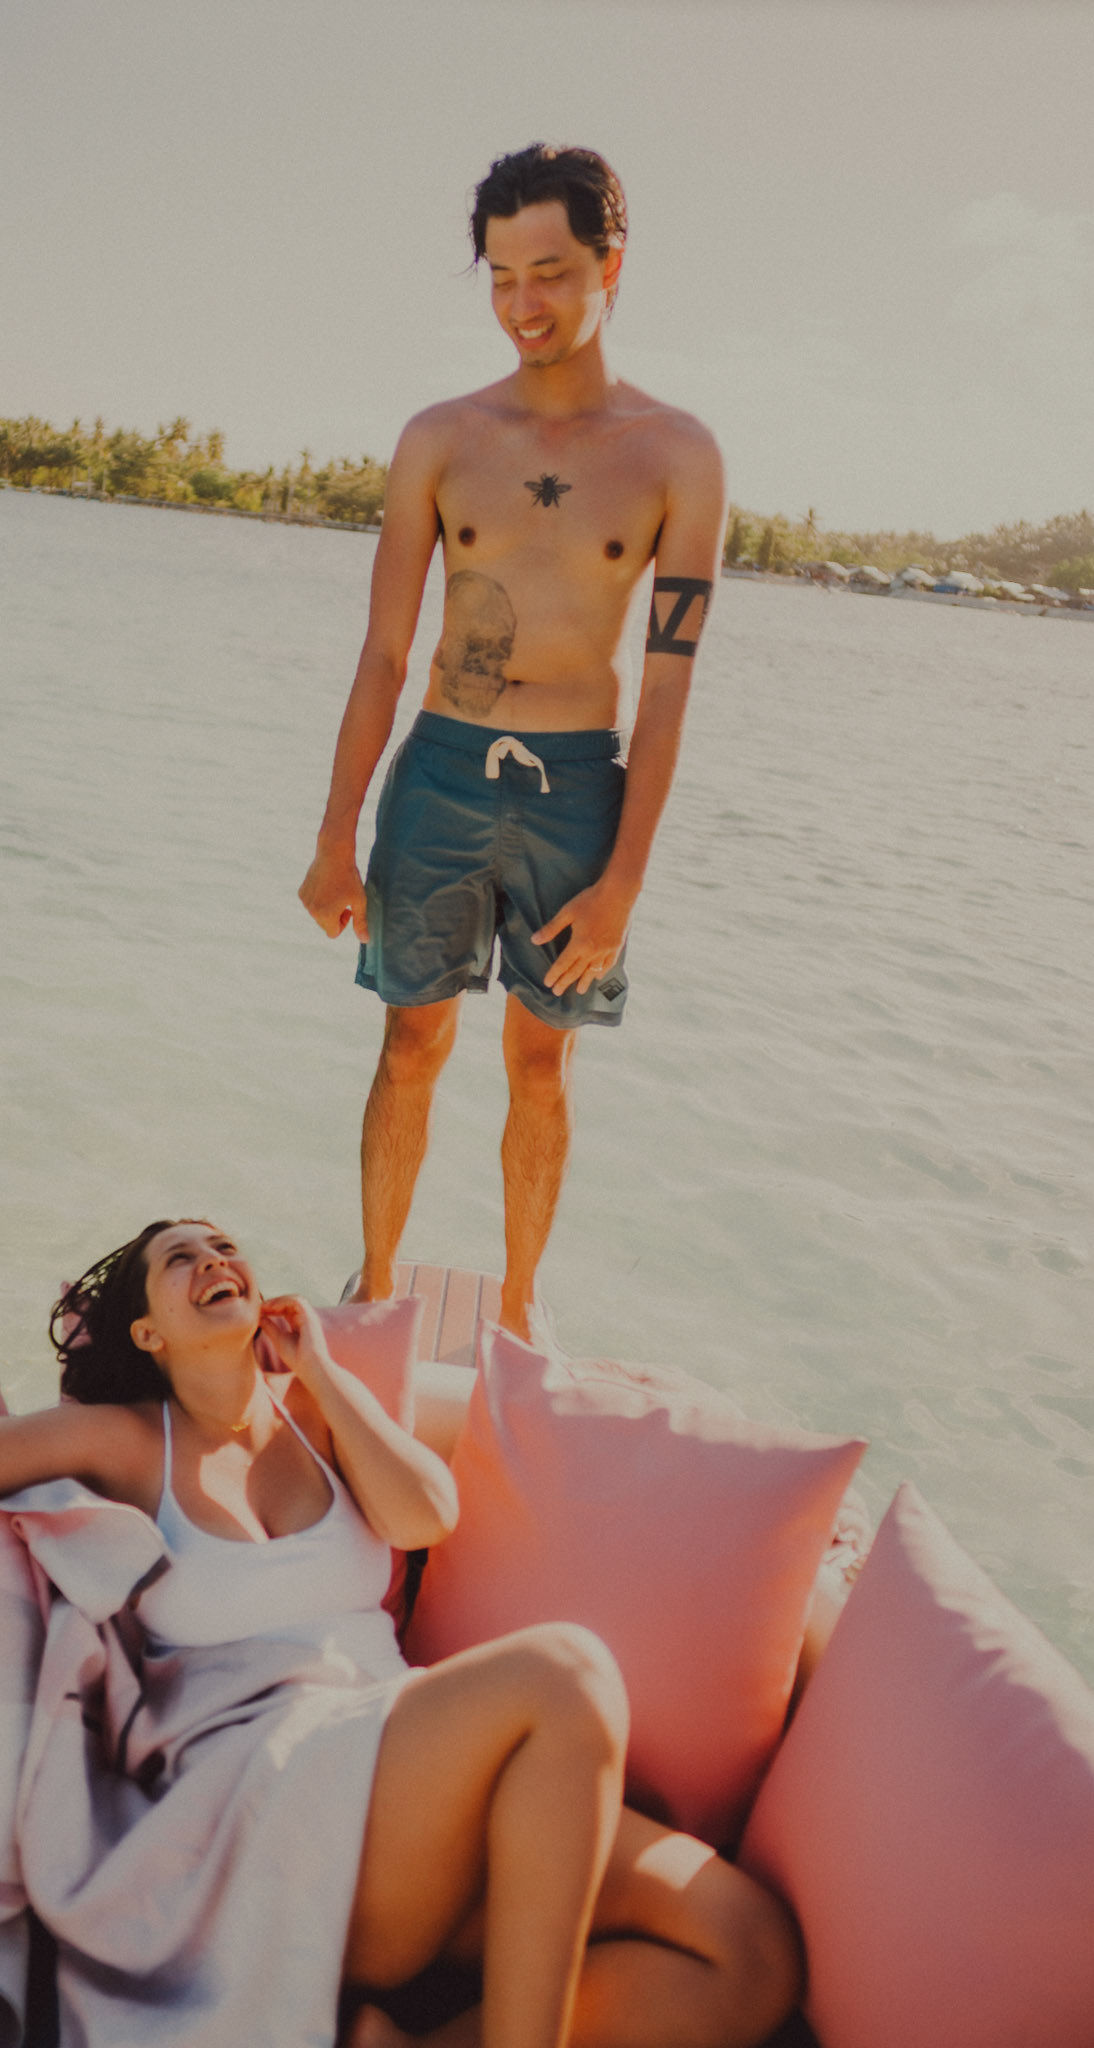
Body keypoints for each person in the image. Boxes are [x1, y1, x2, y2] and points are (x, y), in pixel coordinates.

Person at [0, 1219, 798, 2048]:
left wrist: (317, 1367)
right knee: (567, 1671)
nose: (215, 1255)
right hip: (279, 1809)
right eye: (182, 1258)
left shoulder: (318, 1419)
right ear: (148, 1328)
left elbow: (427, 1514)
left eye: (224, 1242)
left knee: (747, 1950)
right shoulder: (134, 1439)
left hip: (414, 1787)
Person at [299, 145, 727, 1341]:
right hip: (438, 769)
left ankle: (523, 1310)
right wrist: (335, 832)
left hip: (580, 788)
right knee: (410, 1042)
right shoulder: (439, 437)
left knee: (543, 1067)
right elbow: (384, 652)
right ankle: (378, 1286)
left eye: (549, 271)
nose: (523, 304)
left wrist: (625, 879)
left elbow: (671, 681)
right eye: (499, 276)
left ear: (611, 266)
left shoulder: (678, 455)